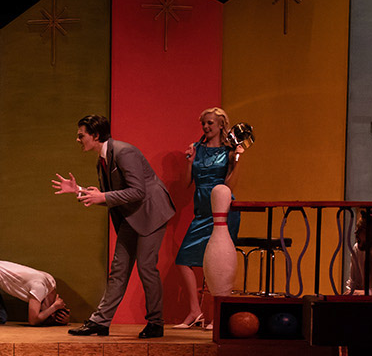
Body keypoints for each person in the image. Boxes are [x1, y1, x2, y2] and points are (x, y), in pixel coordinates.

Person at [51, 115, 175, 339]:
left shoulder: (124, 152)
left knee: (146, 267)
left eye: (81, 135)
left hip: (151, 212)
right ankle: (100, 322)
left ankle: (156, 323)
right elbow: (108, 196)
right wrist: (78, 190)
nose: (78, 139)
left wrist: (103, 197)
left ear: (95, 135)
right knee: (118, 269)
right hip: (131, 215)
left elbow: (138, 191)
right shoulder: (102, 159)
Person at [175, 107, 244, 330]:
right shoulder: (197, 148)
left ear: (221, 125)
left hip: (222, 210)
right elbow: (186, 183)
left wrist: (238, 160)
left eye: (210, 123)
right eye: (203, 123)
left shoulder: (229, 151)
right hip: (202, 211)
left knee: (218, 267)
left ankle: (218, 316)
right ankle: (195, 311)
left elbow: (229, 186)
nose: (206, 127)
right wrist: (189, 160)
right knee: (184, 259)